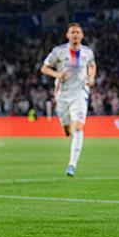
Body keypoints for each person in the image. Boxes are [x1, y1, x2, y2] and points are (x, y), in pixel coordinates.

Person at [40, 23, 96, 176]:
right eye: (72, 32)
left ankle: (72, 164)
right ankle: (68, 131)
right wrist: (57, 75)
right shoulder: (58, 51)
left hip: (80, 93)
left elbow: (92, 65)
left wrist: (91, 78)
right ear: (67, 35)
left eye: (78, 32)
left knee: (77, 128)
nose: (75, 35)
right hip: (62, 95)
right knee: (67, 129)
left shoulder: (87, 52)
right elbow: (44, 68)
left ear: (82, 35)